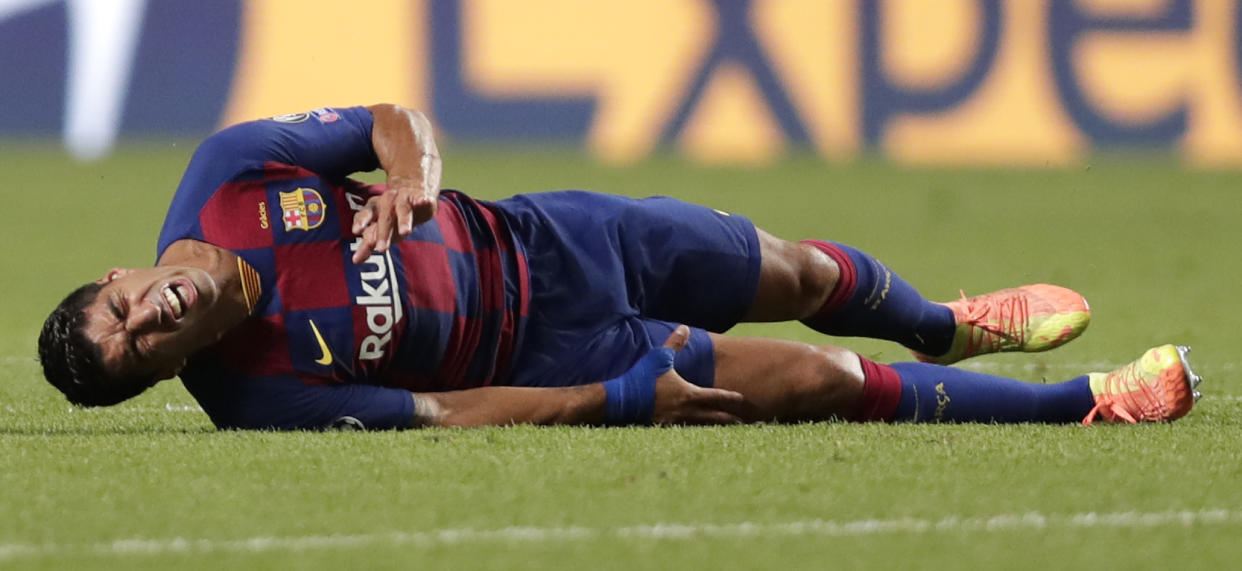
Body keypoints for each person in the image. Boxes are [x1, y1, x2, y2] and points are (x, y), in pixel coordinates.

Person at [37, 104, 1203, 430]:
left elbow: (391, 121)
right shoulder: (255, 393)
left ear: (114, 277)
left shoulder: (231, 172)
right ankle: (1089, 405)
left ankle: (943, 325)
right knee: (814, 381)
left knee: (792, 272)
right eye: (139, 351)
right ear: (162, 372)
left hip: (556, 235)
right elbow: (445, 407)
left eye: (122, 311)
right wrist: (616, 396)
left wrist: (418, 179)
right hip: (558, 346)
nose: (148, 321)